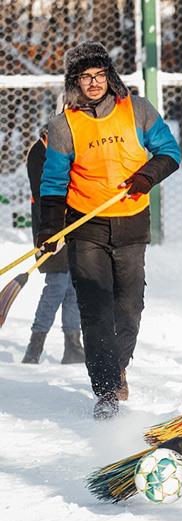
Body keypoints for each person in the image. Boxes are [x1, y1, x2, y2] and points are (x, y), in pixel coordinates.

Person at [37, 41, 181, 419]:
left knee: (129, 307)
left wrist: (147, 176)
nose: (94, 83)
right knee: (96, 308)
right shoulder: (64, 125)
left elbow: (170, 153)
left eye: (99, 74)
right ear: (74, 82)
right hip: (87, 225)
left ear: (109, 75)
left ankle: (117, 367)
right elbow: (53, 182)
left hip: (132, 222)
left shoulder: (138, 110)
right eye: (85, 77)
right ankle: (106, 391)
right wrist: (49, 229)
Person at [21, 126, 85, 365]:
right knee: (56, 285)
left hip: (71, 226)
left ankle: (73, 346)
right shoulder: (39, 154)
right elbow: (44, 196)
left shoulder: (63, 151)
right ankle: (34, 347)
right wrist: (52, 232)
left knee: (73, 287)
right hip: (49, 230)